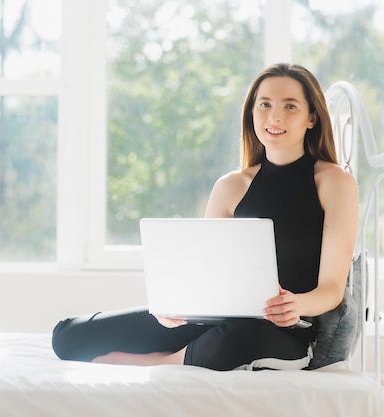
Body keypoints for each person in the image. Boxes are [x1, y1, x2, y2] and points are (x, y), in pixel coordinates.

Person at [50, 63, 359, 371]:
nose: (274, 116)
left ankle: (157, 364)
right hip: (217, 319)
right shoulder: (230, 187)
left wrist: (297, 304)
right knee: (68, 337)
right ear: (251, 114)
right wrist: (176, 303)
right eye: (264, 104)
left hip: (285, 330)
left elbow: (331, 289)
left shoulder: (334, 182)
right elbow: (208, 274)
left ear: (312, 118)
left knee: (237, 337)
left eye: (290, 106)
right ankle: (185, 353)